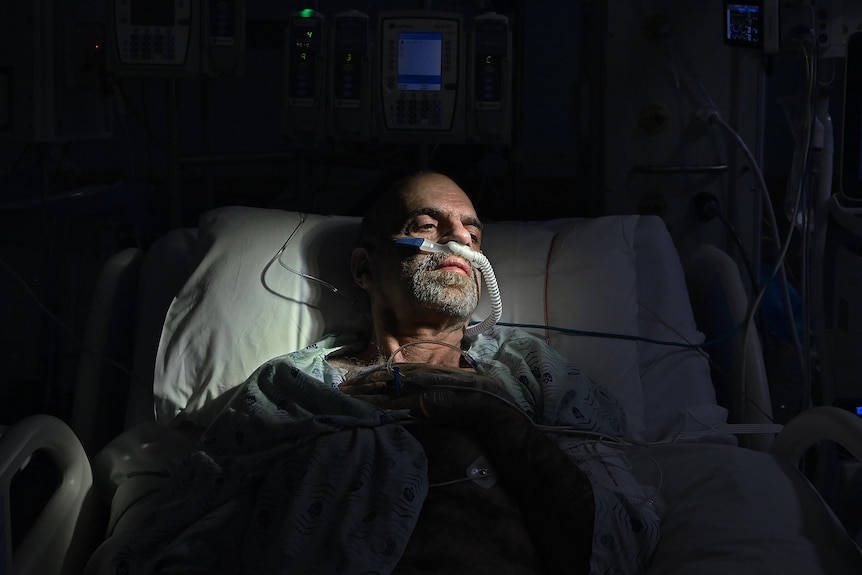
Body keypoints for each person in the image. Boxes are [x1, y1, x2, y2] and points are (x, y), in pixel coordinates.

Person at [107, 172, 660, 575]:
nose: (459, 241)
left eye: (473, 232)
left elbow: (617, 532)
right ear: (365, 268)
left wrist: (488, 414)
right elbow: (191, 520)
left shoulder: (532, 374)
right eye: (427, 224)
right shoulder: (293, 388)